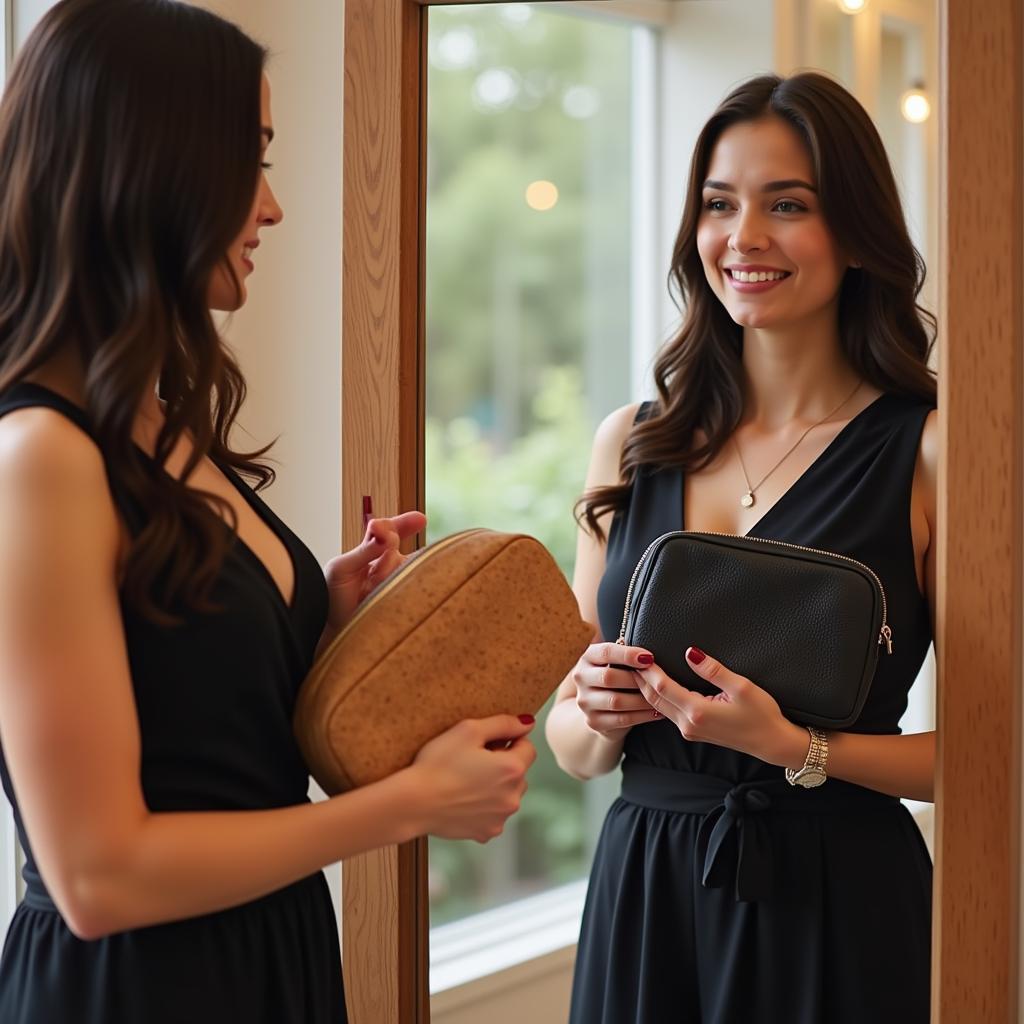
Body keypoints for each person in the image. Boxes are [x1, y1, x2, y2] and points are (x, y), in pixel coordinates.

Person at [0, 2, 536, 1022]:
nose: (274, 206)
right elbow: (98, 877)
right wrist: (408, 805)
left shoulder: (153, 421)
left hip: (266, 954)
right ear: (148, 168)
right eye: (251, 159)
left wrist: (317, 607)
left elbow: (193, 706)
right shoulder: (40, 455)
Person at [546, 71, 936, 1024]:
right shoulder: (631, 441)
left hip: (838, 898)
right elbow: (569, 743)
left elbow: (992, 758)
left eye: (787, 204)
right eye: (719, 205)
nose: (744, 238)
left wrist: (797, 748)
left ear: (856, 231)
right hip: (644, 891)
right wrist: (593, 711)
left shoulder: (930, 451)